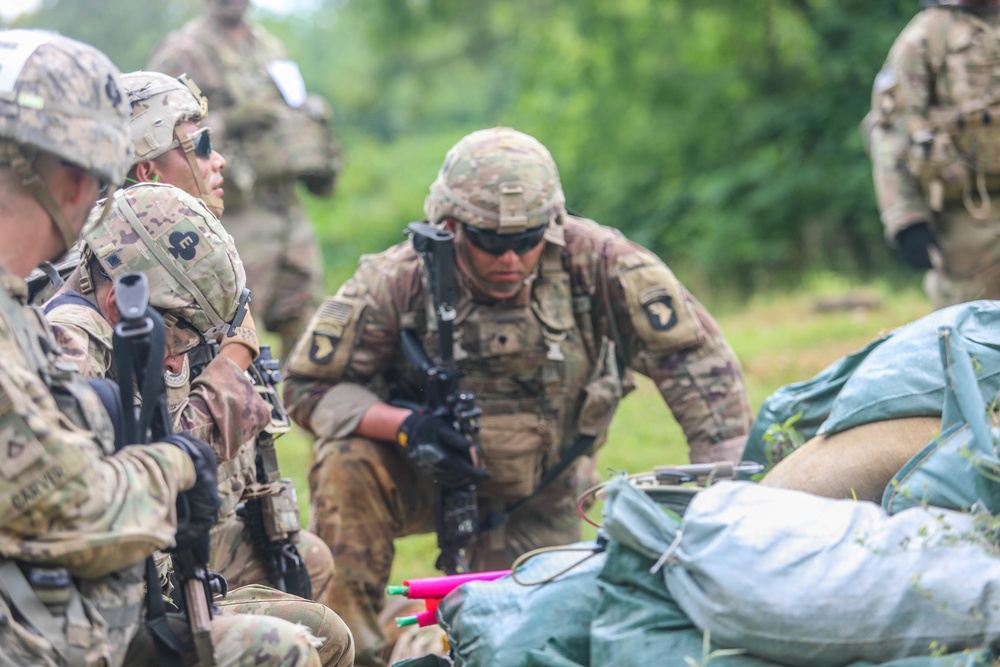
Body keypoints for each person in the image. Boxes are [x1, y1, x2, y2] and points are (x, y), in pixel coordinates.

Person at [282, 127, 753, 666]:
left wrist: (727, 501)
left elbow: (696, 364)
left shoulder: (598, 262)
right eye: (490, 242)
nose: (511, 258)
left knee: (532, 639)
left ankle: (411, 644)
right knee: (347, 460)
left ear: (552, 225)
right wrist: (404, 425)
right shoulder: (395, 281)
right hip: (421, 473)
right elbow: (305, 387)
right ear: (450, 226)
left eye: (528, 240)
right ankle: (351, 650)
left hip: (543, 491)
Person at [0, 28, 325, 666]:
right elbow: (84, 516)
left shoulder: (22, 313)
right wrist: (178, 460)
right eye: (198, 145)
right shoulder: (58, 320)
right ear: (75, 180)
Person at [45, 181, 355, 666]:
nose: (178, 360)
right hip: (94, 622)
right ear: (117, 302)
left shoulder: (111, 335)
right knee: (293, 647)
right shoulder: (72, 352)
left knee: (323, 628)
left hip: (145, 587)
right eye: (186, 336)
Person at [148, 0, 342, 356]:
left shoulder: (268, 45)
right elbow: (159, 137)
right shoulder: (183, 52)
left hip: (285, 206)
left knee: (308, 325)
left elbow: (290, 103)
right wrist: (232, 120)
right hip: (230, 212)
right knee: (227, 327)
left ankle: (304, 406)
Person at [864, 0, 1000, 307]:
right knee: (974, 330)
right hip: (968, 219)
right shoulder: (926, 37)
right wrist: (907, 221)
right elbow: (891, 131)